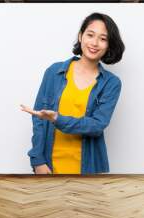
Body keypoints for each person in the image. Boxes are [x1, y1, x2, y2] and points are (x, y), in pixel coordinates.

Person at [21, 12, 125, 174]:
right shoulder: (54, 72)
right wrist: (38, 160)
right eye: (90, 35)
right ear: (80, 36)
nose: (95, 43)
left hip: (88, 167)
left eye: (103, 39)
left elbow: (97, 125)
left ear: (109, 45)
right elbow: (39, 119)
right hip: (49, 164)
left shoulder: (111, 83)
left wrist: (57, 118)